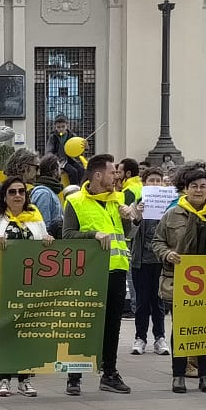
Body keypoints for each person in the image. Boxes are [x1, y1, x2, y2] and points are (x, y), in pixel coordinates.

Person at [155, 165, 206, 394]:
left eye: (203, 186)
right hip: (180, 279)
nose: (198, 191)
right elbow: (157, 242)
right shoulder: (173, 213)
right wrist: (168, 254)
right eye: (194, 187)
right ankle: (178, 375)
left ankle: (205, 375)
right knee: (181, 328)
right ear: (186, 189)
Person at [63, 154, 132, 396]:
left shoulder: (117, 200)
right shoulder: (75, 201)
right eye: (113, 172)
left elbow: (125, 233)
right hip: (88, 272)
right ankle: (74, 376)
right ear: (98, 175)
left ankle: (110, 373)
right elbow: (68, 235)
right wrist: (92, 235)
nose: (117, 176)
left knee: (112, 325)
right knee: (82, 324)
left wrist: (130, 219)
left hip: (116, 269)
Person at [0, 176, 49, 397]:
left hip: (28, 284)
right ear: (4, 196)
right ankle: (5, 378)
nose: (18, 195)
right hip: (4, 282)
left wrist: (47, 240)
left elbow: (42, 242)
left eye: (21, 192)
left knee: (26, 331)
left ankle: (25, 379)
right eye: (12, 192)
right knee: (5, 331)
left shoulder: (35, 218)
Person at [130, 166, 170, 358]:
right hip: (141, 261)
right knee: (141, 302)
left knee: (159, 301)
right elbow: (129, 232)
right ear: (144, 183)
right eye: (151, 180)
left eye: (158, 180)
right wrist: (137, 216)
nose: (155, 184)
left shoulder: (169, 206)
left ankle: (160, 337)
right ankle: (140, 337)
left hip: (161, 261)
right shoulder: (137, 204)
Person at [31, 155, 67, 240]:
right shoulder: (44, 193)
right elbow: (43, 225)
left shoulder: (50, 192)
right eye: (59, 168)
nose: (61, 172)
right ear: (55, 171)